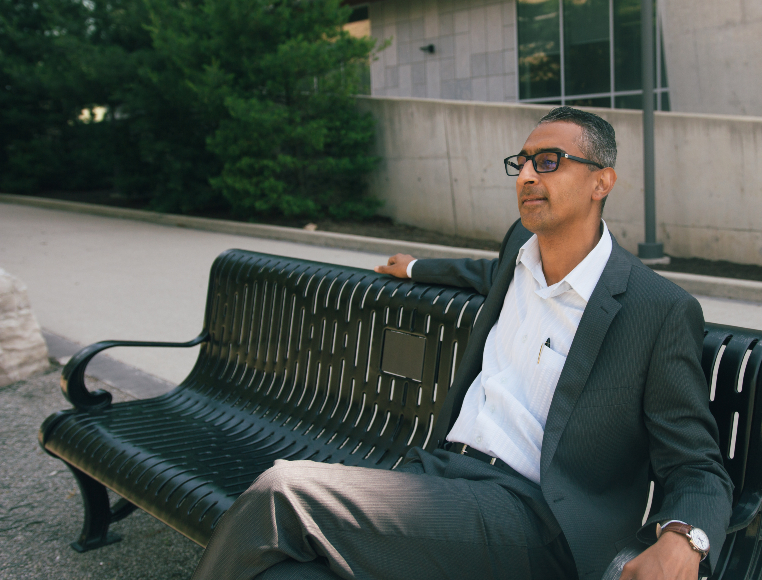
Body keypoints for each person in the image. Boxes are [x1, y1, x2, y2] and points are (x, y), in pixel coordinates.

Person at [190, 107, 733, 580]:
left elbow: (697, 463)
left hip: (534, 518)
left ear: (601, 181)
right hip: (441, 478)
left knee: (285, 490)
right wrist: (418, 267)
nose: (525, 175)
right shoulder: (522, 247)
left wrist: (686, 538)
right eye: (520, 162)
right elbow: (487, 271)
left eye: (547, 161)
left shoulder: (654, 310)